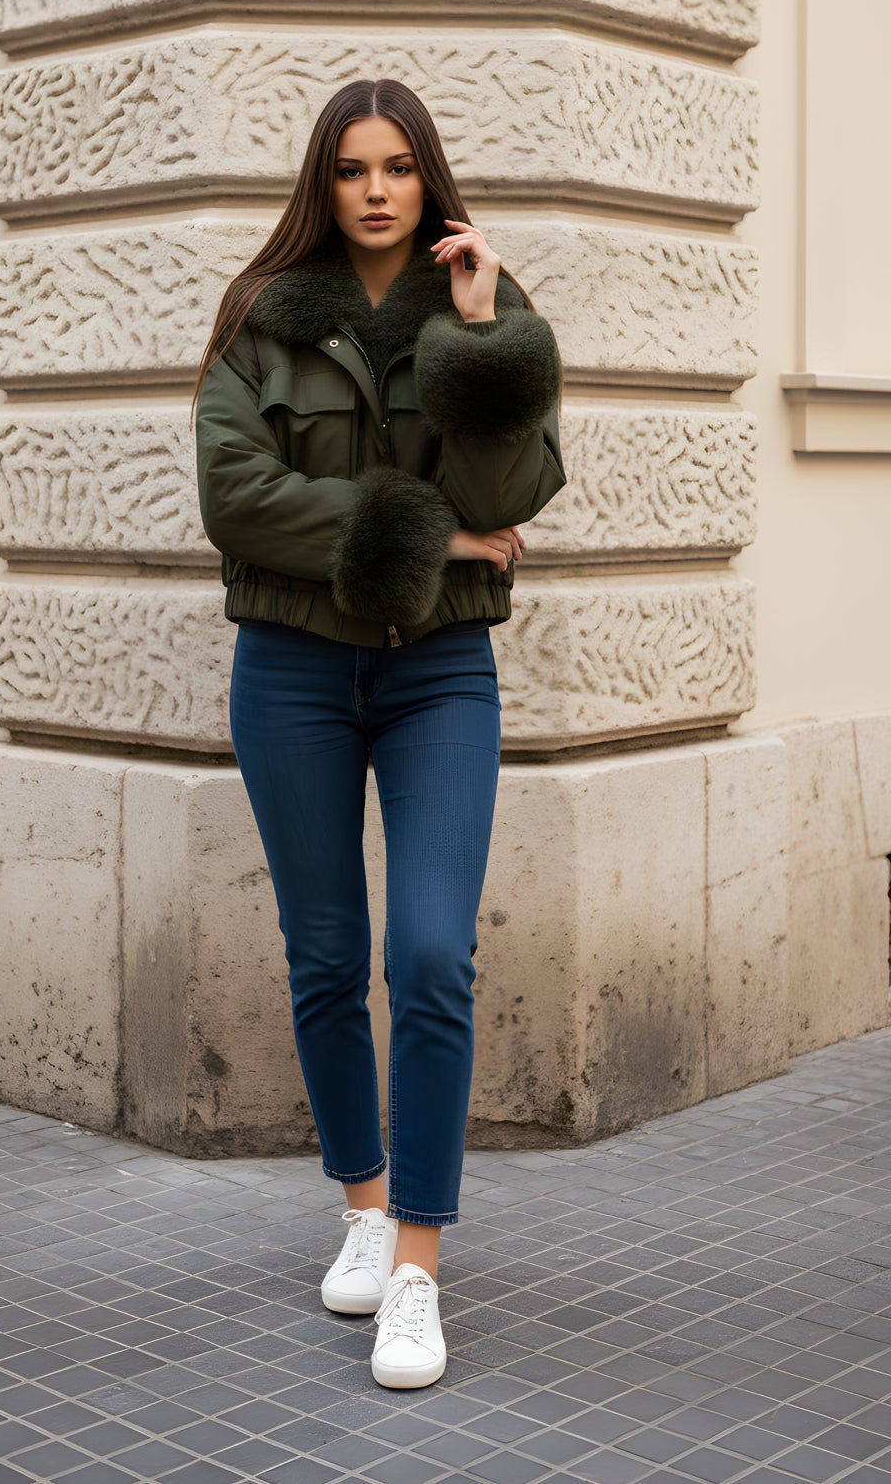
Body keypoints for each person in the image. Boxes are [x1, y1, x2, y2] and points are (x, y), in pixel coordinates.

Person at [191, 77, 566, 1388]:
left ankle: (416, 1263)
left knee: (429, 954)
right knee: (323, 955)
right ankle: (359, 1207)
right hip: (289, 673)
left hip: (436, 675)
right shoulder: (258, 318)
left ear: (425, 178)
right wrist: (429, 533)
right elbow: (237, 497)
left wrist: (475, 339)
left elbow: (513, 491)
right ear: (323, 180)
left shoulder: (488, 311)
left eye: (397, 166)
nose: (374, 190)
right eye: (351, 167)